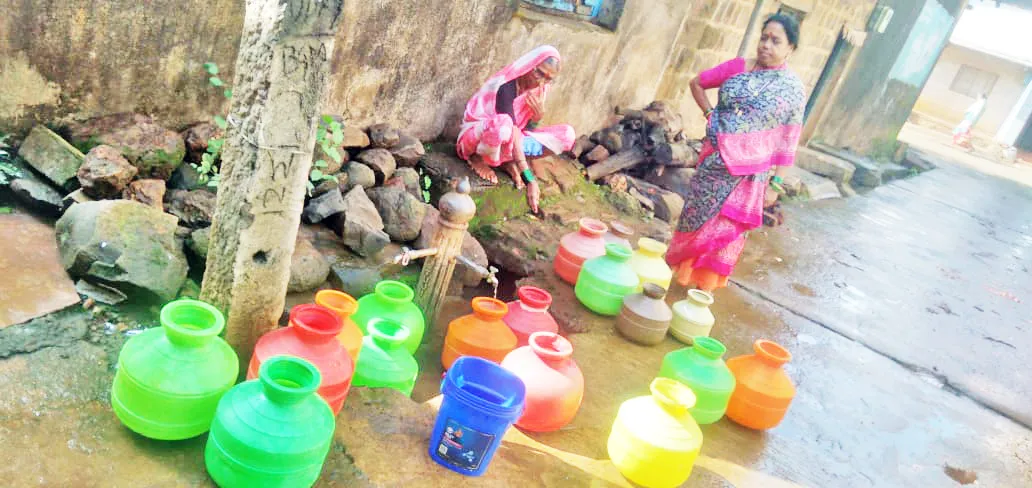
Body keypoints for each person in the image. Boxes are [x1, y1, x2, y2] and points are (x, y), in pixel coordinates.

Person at [665, 14, 806, 292]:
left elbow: (789, 141)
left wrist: (776, 184)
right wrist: (710, 115)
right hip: (714, 164)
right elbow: (697, 83)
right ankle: (678, 278)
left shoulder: (793, 91)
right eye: (764, 38)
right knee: (696, 220)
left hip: (749, 176)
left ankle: (703, 289)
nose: (766, 45)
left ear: (790, 48)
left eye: (775, 41)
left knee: (726, 231)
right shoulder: (738, 67)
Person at [456, 45, 576, 213]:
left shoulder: (539, 91)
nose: (541, 82)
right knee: (503, 124)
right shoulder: (506, 86)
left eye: (548, 78)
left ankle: (505, 161)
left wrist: (536, 118)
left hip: (509, 142)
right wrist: (529, 179)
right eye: (539, 73)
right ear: (530, 65)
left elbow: (524, 130)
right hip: (476, 140)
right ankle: (478, 159)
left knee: (567, 135)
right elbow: (512, 130)